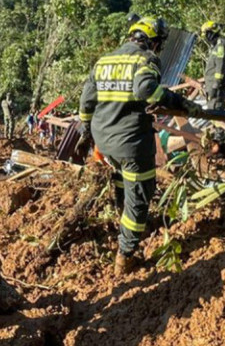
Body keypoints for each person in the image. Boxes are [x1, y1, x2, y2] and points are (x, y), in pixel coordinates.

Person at [77, 18, 201, 275]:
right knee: (140, 193)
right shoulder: (145, 59)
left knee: (123, 179)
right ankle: (126, 255)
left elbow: (87, 101)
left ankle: (124, 218)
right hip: (131, 141)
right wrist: (179, 102)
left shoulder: (104, 61)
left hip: (105, 140)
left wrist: (85, 131)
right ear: (152, 41)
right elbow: (146, 88)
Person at [200, 21, 225, 111]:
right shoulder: (216, 46)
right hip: (213, 86)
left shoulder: (220, 47)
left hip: (216, 88)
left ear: (210, 33)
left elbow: (220, 67)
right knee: (212, 110)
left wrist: (215, 84)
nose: (206, 38)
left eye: (206, 35)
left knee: (216, 110)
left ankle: (218, 126)